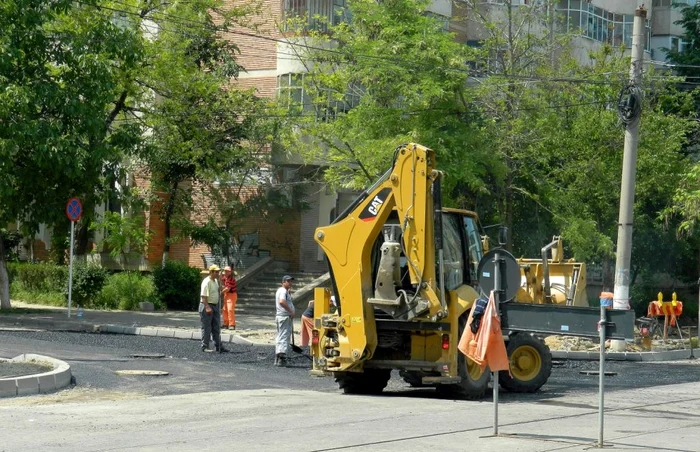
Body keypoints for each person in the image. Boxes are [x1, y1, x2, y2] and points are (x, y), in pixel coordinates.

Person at [200, 265, 227, 353]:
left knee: (216, 327)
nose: (218, 273)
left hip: (215, 306)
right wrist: (207, 307)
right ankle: (205, 346)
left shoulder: (215, 281)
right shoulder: (206, 282)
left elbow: (216, 292)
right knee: (207, 327)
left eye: (218, 272)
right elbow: (203, 296)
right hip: (207, 306)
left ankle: (218, 346)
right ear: (211, 272)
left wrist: (221, 288)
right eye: (216, 272)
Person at [274, 275, 295, 367]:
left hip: (281, 317)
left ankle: (278, 357)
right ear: (283, 282)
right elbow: (282, 302)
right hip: (284, 316)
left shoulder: (283, 291)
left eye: (291, 281)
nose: (290, 283)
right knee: (284, 336)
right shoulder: (283, 291)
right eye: (288, 281)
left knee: (280, 335)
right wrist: (290, 311)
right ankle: (281, 358)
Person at [221, 266, 238, 330]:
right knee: (224, 310)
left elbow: (228, 289)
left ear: (230, 272)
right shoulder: (225, 277)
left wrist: (221, 292)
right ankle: (225, 324)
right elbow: (222, 282)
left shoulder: (231, 279)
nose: (226, 272)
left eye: (228, 271)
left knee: (230, 310)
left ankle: (232, 325)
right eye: (225, 271)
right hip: (226, 295)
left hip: (231, 295)